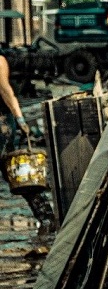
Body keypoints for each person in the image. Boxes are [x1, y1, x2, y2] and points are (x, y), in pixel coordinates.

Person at [0, 55, 54, 230]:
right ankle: (46, 216)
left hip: (1, 124)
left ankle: (46, 216)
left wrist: (20, 118)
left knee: (14, 171)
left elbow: (5, 91)